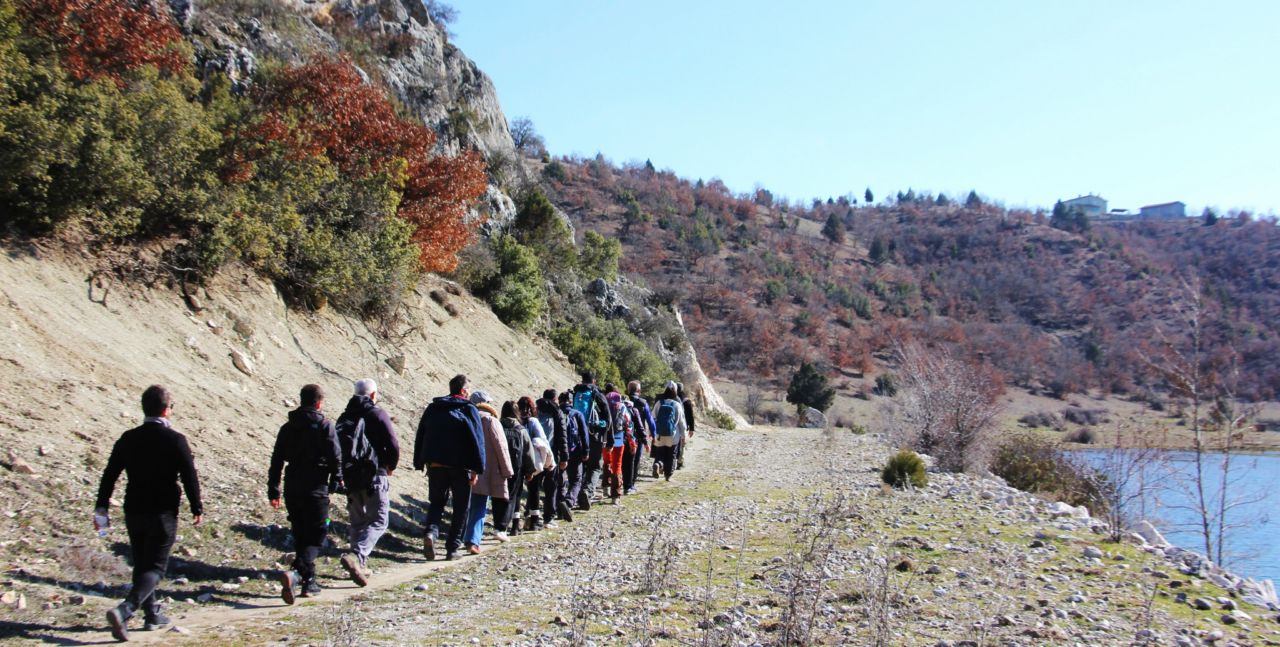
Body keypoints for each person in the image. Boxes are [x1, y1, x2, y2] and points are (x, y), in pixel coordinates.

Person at [96, 385, 203, 642]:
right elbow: (190, 476)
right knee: (155, 566)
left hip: (134, 508)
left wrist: (101, 506)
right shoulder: (175, 440)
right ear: (167, 410)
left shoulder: (128, 438)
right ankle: (126, 609)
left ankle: (152, 614)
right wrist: (196, 506)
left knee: (142, 561)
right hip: (163, 510)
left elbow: (110, 475)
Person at [268, 384, 343, 604]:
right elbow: (335, 455)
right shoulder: (324, 426)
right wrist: (336, 478)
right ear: (319, 403)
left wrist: (274, 488)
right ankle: (298, 574)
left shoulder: (287, 427)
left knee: (301, 532)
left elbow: (276, 460)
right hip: (316, 485)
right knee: (318, 532)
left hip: (292, 484)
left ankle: (308, 581)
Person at [413, 374, 485, 561]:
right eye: (468, 389)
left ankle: (431, 532)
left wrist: (419, 461)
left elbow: (422, 432)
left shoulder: (434, 408)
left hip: (435, 465)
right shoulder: (468, 409)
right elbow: (478, 440)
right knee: (461, 508)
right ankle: (452, 548)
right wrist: (477, 468)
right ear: (463, 390)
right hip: (461, 467)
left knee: (436, 502)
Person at [335, 378, 399, 587]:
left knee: (358, 522)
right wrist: (390, 465)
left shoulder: (345, 416)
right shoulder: (376, 413)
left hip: (351, 476)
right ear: (372, 395)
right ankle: (357, 555)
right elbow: (392, 442)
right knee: (379, 520)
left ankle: (359, 564)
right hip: (374, 473)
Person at [462, 391, 512, 555]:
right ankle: (473, 540)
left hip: (461, 468)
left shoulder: (463, 417)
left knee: (462, 505)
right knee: (479, 506)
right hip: (483, 471)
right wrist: (507, 470)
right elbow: (501, 447)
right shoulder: (490, 421)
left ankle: (458, 538)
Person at [494, 401, 536, 540]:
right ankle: (502, 528)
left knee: (496, 496)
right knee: (511, 497)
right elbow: (528, 452)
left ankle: (497, 525)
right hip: (515, 468)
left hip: (497, 467)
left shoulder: (496, 425)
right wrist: (530, 470)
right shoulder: (521, 429)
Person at [571, 372, 612, 510]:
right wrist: (609, 439)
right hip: (594, 435)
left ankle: (574, 495)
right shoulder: (596, 393)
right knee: (595, 466)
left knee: (581, 465)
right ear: (594, 381)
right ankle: (586, 492)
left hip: (576, 435)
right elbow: (608, 418)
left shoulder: (575, 393)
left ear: (582, 380)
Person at [535, 389, 572, 523]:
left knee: (535, 486)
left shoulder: (536, 409)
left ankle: (533, 516)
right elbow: (562, 436)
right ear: (555, 399)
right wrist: (564, 457)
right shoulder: (557, 412)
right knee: (551, 486)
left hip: (536, 453)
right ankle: (549, 517)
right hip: (552, 454)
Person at [519, 396, 553, 529]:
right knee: (534, 489)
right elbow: (542, 441)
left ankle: (516, 523)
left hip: (516, 459)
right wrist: (550, 461)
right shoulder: (533, 421)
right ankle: (534, 520)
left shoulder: (516, 420)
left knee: (517, 491)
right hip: (532, 459)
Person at [559, 390, 589, 515]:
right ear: (571, 401)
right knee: (576, 479)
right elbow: (584, 434)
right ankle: (569, 501)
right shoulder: (577, 414)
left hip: (560, 451)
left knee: (560, 478)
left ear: (559, 401)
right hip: (575, 450)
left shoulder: (557, 414)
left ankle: (558, 502)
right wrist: (586, 451)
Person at [602, 384, 632, 505]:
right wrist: (631, 440)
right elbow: (628, 423)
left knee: (606, 462)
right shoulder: (622, 406)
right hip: (619, 440)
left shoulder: (603, 405)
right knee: (617, 465)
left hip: (605, 439)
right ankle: (615, 496)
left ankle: (605, 487)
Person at [624, 381, 655, 494]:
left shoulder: (623, 401)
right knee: (635, 460)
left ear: (628, 390)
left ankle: (623, 482)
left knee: (624, 459)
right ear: (638, 391)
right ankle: (630, 484)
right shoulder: (643, 403)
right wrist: (653, 433)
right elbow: (650, 420)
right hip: (637, 436)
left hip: (623, 435)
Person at [651, 381, 687, 481]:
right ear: (675, 392)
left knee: (660, 453)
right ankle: (668, 475)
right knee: (671, 455)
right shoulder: (677, 405)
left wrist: (652, 433)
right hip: (673, 435)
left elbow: (653, 418)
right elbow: (681, 423)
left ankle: (658, 464)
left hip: (659, 434)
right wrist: (684, 436)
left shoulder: (659, 403)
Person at [676, 383, 696, 470]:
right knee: (682, 444)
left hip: (673, 425)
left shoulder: (671, 398)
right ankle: (679, 462)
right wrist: (691, 428)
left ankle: (672, 460)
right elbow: (691, 416)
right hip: (684, 425)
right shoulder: (686, 401)